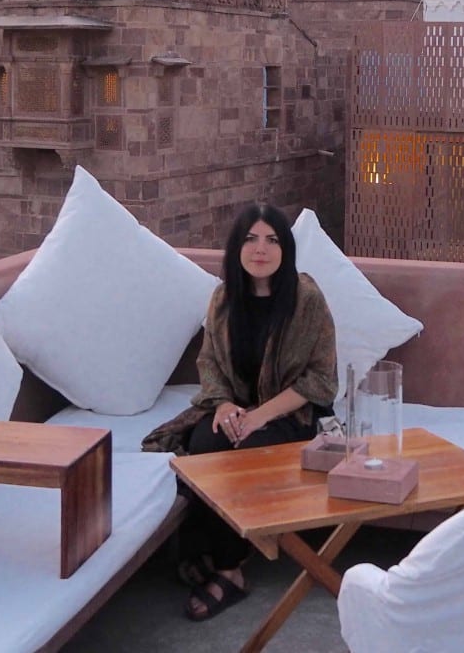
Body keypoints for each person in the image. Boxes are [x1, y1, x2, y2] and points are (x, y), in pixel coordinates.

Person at [160, 203, 338, 622]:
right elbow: (210, 364)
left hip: (292, 417)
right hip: (236, 409)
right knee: (203, 442)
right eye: (250, 239)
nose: (261, 249)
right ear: (237, 248)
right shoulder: (224, 298)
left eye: (272, 240)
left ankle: (229, 569)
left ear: (285, 249)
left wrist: (259, 416)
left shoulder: (306, 298)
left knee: (239, 455)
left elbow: (321, 380)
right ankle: (209, 547)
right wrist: (223, 405)